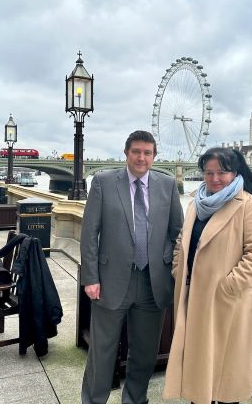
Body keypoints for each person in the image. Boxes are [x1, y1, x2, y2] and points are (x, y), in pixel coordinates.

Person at [80, 130, 184, 404]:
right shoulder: (103, 182)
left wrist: (172, 270)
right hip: (109, 280)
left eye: (147, 153)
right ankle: (93, 400)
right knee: (102, 352)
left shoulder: (167, 185)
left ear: (154, 156)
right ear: (126, 153)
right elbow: (90, 232)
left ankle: (136, 400)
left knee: (144, 354)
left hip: (153, 282)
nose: (141, 157)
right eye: (136, 151)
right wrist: (90, 277)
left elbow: (178, 233)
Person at [163, 147, 252, 404]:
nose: (214, 179)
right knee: (197, 370)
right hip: (194, 297)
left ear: (235, 173)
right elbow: (182, 242)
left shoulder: (249, 206)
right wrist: (179, 270)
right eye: (209, 172)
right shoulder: (195, 204)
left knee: (225, 375)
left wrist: (228, 286)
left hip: (226, 303)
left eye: (221, 172)